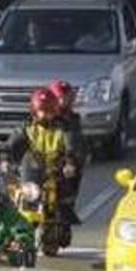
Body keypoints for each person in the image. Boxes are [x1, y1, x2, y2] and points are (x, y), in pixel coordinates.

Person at [1, 89, 82, 225]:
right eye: (41, 111)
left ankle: (63, 220)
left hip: (56, 170)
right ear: (34, 110)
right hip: (32, 169)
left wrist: (70, 163)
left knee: (65, 194)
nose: (45, 115)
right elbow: (11, 143)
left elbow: (71, 146)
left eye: (49, 111)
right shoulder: (27, 127)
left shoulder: (64, 128)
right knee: (12, 194)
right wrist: (5, 159)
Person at [48, 80, 86, 222]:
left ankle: (66, 207)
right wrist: (7, 153)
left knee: (70, 178)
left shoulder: (72, 120)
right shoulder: (39, 116)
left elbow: (73, 142)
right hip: (41, 158)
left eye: (66, 97)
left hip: (63, 160)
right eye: (59, 97)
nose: (62, 101)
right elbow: (24, 134)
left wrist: (70, 161)